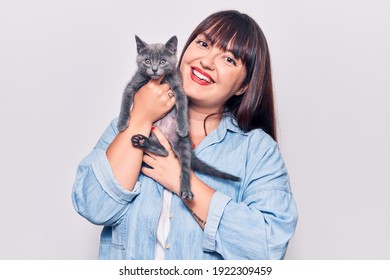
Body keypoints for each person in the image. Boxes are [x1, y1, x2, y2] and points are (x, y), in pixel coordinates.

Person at [72, 10, 298, 260]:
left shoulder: (257, 150)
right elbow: (91, 206)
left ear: (244, 86)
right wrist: (141, 118)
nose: (207, 62)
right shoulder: (130, 121)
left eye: (229, 60)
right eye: (203, 44)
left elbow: (268, 246)